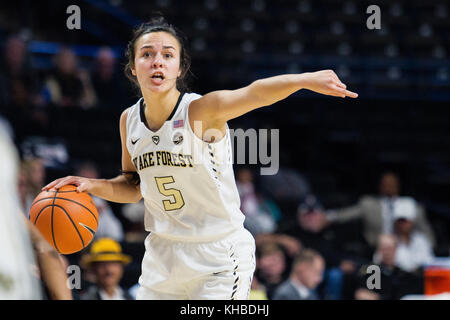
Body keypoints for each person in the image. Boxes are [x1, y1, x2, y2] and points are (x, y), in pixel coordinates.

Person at [42, 15, 358, 300]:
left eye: (168, 55)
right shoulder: (129, 120)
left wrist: (303, 79)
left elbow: (256, 92)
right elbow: (133, 184)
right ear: (133, 65)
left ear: (179, 68)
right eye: (147, 54)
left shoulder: (201, 110)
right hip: (163, 257)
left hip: (217, 255)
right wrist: (91, 185)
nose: (157, 63)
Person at [323, 172, 435, 249]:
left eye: (392, 184)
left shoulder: (409, 205)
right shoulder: (368, 204)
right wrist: (325, 217)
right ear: (380, 186)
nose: (389, 187)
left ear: (398, 186)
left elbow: (426, 233)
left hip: (406, 248)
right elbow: (346, 214)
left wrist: (424, 249)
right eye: (385, 184)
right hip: (376, 249)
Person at [354, 234, 423, 300]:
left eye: (390, 248)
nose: (387, 252)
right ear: (378, 250)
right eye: (384, 248)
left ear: (396, 249)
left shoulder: (402, 273)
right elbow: (361, 294)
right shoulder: (370, 271)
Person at [391, 197, 434, 273]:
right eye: (400, 221)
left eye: (406, 221)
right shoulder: (388, 241)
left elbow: (430, 263)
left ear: (412, 221)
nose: (403, 224)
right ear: (395, 222)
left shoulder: (421, 240)